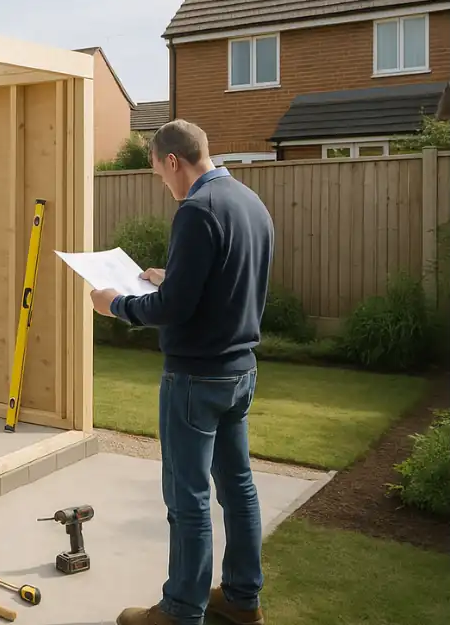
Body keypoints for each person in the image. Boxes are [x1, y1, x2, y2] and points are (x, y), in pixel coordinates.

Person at [90, 120, 274, 625]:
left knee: (187, 496)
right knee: (238, 487)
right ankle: (241, 599)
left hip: (195, 379)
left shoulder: (196, 211)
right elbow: (225, 282)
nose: (163, 183)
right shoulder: (249, 203)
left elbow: (171, 310)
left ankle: (180, 610)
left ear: (173, 161)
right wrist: (170, 277)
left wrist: (117, 304)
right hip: (240, 373)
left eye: (157, 172)